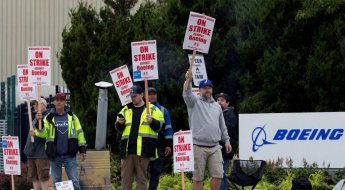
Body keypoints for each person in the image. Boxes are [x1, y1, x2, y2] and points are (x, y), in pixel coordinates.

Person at [182, 70, 232, 190]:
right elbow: (187, 94)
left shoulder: (217, 106)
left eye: (209, 87)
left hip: (215, 146)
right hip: (198, 146)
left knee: (219, 174)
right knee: (198, 177)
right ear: (199, 90)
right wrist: (188, 80)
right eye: (204, 87)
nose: (207, 89)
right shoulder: (193, 102)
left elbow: (222, 126)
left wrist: (227, 141)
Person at [31, 92, 87, 190]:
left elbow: (80, 133)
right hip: (55, 155)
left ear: (65, 102)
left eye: (62, 100)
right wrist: (37, 128)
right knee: (56, 181)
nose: (59, 102)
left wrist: (82, 149)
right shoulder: (48, 118)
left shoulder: (72, 117)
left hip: (70, 155)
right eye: (57, 100)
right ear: (53, 102)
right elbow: (44, 133)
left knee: (74, 181)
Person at [115, 85, 164, 190]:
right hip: (127, 152)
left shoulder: (153, 110)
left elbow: (161, 127)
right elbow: (118, 128)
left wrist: (152, 121)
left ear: (142, 94)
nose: (132, 98)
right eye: (131, 96)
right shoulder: (125, 109)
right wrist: (120, 123)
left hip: (143, 151)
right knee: (125, 180)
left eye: (135, 95)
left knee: (141, 181)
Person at [147, 87, 173, 190]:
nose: (152, 96)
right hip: (143, 146)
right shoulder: (141, 108)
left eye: (154, 94)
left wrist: (169, 145)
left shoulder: (163, 110)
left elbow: (168, 128)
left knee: (155, 173)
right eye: (150, 94)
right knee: (142, 174)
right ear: (145, 96)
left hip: (158, 146)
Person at [24, 98, 50, 190]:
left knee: (43, 177)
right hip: (32, 153)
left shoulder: (48, 117)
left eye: (37, 104)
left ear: (43, 105)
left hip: (41, 154)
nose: (35, 106)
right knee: (34, 177)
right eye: (34, 104)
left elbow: (47, 135)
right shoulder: (35, 117)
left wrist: (37, 133)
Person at [216, 92, 238, 190]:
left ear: (227, 103)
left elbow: (228, 129)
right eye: (218, 100)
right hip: (219, 149)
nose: (219, 102)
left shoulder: (230, 114)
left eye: (222, 100)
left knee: (220, 173)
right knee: (220, 173)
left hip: (225, 149)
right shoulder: (217, 113)